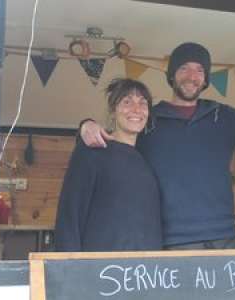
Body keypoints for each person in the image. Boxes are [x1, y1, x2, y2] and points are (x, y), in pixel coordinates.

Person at [79, 42, 235, 250]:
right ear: (172, 75)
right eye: (185, 68)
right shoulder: (149, 119)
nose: (192, 76)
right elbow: (113, 137)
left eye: (199, 70)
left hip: (224, 238)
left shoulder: (222, 116)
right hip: (172, 243)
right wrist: (85, 125)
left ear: (206, 78)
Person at [55, 78, 162, 251]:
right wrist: (69, 267)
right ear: (113, 111)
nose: (136, 110)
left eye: (143, 103)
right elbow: (70, 213)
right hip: (100, 268)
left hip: (143, 270)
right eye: (127, 102)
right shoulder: (93, 150)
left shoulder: (146, 159)